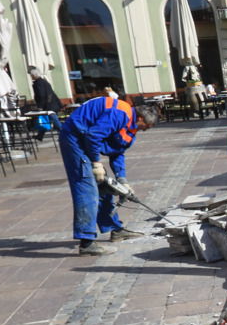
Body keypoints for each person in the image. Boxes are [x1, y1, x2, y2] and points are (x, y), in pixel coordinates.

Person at [59, 96, 159, 256]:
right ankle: (87, 243)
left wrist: (121, 179)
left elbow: (118, 151)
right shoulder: (121, 113)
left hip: (84, 141)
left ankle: (115, 230)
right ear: (140, 117)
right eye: (146, 126)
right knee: (87, 189)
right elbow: (94, 135)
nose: (145, 129)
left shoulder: (129, 126)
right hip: (74, 139)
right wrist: (96, 163)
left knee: (103, 188)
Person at [28, 67, 62, 141]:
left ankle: (64, 134)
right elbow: (52, 93)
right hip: (51, 104)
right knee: (45, 120)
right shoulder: (44, 82)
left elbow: (42, 95)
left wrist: (40, 106)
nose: (31, 76)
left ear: (35, 75)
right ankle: (40, 135)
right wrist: (59, 104)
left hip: (48, 105)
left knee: (55, 121)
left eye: (31, 75)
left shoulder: (39, 83)